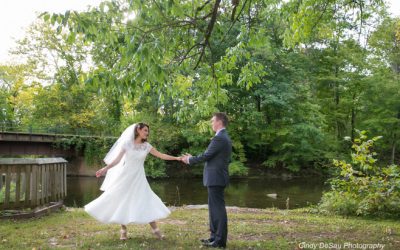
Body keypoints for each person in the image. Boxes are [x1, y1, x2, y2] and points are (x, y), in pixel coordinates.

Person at [84, 123, 181, 240]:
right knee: (121, 200)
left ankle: (157, 232)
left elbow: (161, 155)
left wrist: (177, 158)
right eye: (145, 130)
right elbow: (117, 160)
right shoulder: (127, 144)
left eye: (147, 131)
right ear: (138, 130)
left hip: (139, 177)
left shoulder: (146, 146)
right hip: (125, 176)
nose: (147, 133)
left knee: (146, 200)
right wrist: (105, 169)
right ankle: (123, 231)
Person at [182, 112, 232, 248]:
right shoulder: (222, 137)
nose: (211, 123)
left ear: (219, 122)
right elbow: (212, 156)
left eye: (212, 121)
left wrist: (189, 159)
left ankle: (219, 241)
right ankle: (213, 237)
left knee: (217, 209)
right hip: (216, 177)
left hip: (216, 178)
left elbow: (206, 155)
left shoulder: (220, 138)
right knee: (213, 208)